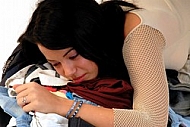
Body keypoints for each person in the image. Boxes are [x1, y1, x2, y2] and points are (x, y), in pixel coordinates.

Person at [12, 0, 190, 126]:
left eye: (73, 56)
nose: (68, 71)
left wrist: (61, 105)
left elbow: (153, 121)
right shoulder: (96, 24)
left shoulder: (140, 38)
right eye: (56, 64)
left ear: (91, 39)